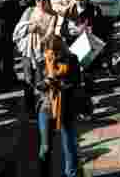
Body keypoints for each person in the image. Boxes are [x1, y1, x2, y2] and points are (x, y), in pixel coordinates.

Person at [36, 34, 81, 177]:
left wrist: (57, 82)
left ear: (61, 50)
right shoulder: (42, 62)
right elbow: (37, 85)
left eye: (55, 54)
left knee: (69, 144)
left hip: (66, 106)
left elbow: (75, 83)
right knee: (45, 146)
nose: (52, 58)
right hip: (47, 107)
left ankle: (71, 173)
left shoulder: (72, 60)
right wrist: (44, 84)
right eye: (49, 55)